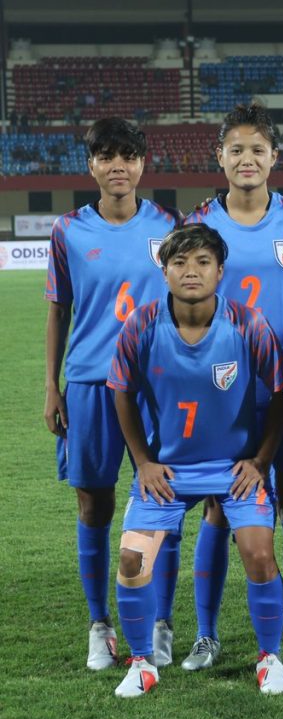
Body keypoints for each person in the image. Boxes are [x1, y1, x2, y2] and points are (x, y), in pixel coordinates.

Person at [106, 224, 283, 697]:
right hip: (167, 470)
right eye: (180, 263)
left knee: (259, 553)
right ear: (164, 271)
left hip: (233, 469)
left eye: (203, 262)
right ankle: (142, 663)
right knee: (131, 558)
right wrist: (143, 461)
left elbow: (281, 394)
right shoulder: (141, 325)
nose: (191, 271)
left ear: (220, 271)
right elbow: (121, 392)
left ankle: (269, 658)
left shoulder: (248, 323)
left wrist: (261, 461)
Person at [184, 103, 283, 672]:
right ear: (220, 157)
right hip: (223, 386)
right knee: (219, 507)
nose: (247, 159)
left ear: (275, 157)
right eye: (236, 150)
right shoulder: (199, 222)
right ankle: (206, 635)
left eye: (258, 150)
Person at [44, 118, 182, 671]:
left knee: (164, 500)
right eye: (106, 156)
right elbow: (59, 310)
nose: (118, 166)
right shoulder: (68, 230)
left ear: (143, 163)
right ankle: (100, 625)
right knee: (94, 502)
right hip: (89, 383)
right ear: (92, 165)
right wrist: (51, 387)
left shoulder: (168, 226)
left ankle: (161, 623)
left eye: (128, 155)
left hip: (155, 384)